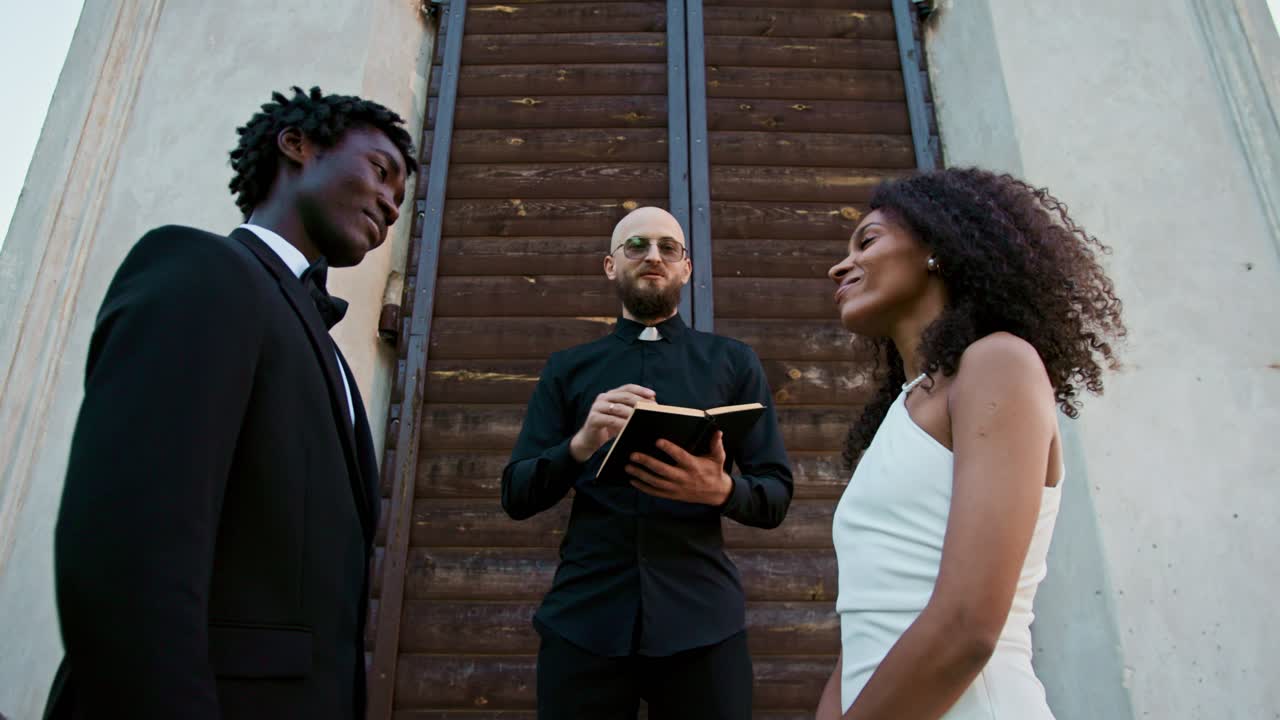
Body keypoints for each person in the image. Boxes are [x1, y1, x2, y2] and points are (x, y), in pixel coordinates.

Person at [45, 86, 417, 720]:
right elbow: (127, 555)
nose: (389, 202)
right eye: (381, 172)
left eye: (401, 199)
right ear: (297, 146)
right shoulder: (200, 270)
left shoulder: (325, 352)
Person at [816, 168, 1125, 719]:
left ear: (936, 247)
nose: (841, 265)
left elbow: (968, 626)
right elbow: (866, 631)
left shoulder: (996, 363)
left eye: (867, 240)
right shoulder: (902, 413)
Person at [501, 206, 794, 719]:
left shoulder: (734, 362)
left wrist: (721, 490)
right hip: (584, 622)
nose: (653, 256)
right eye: (636, 246)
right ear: (610, 266)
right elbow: (516, 495)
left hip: (704, 624)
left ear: (687, 268)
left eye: (668, 247)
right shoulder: (567, 370)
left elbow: (775, 494)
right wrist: (580, 444)